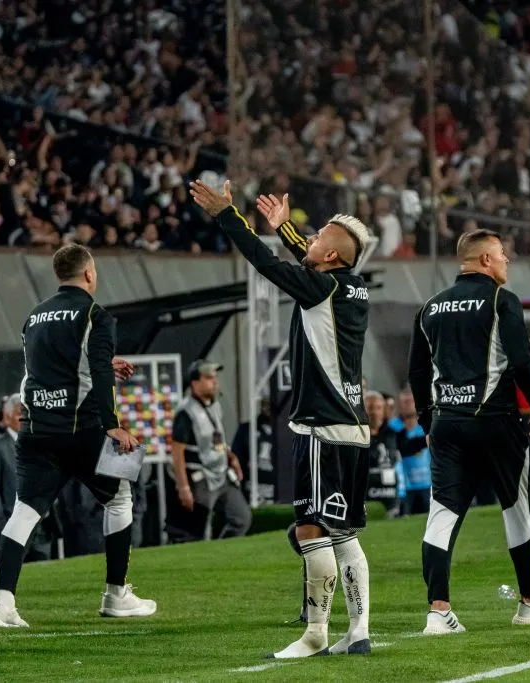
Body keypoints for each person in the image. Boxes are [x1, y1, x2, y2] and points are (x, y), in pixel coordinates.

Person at [191, 182, 372, 658]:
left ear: (331, 255)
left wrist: (228, 215)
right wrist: (285, 229)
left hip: (320, 425)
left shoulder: (319, 287)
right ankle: (359, 631)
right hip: (353, 427)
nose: (306, 242)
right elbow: (309, 260)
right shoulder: (351, 286)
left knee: (311, 527)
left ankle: (314, 633)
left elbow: (269, 265)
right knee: (343, 531)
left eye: (316, 238)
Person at [407, 228, 530, 635]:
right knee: (517, 510)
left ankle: (438, 611)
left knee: (441, 514)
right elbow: (521, 361)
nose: (506, 261)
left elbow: (416, 373)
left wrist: (428, 423)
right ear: (484, 260)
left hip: (446, 423)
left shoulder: (429, 307)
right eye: (501, 254)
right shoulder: (502, 301)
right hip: (496, 421)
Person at [0, 244, 155, 629]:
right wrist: (112, 423)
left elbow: (52, 365)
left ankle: (3, 602)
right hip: (82, 429)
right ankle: (116, 594)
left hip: (35, 430)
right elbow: (95, 367)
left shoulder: (35, 316)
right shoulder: (96, 314)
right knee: (121, 496)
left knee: (24, 511)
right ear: (89, 274)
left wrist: (103, 363)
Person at [169, 360, 251, 542]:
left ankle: (224, 555)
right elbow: (177, 452)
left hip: (221, 473)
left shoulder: (215, 405)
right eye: (208, 378)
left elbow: (218, 439)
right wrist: (183, 487)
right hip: (200, 476)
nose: (215, 382)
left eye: (215, 377)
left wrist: (231, 457)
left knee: (241, 518)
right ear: (194, 382)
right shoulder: (186, 411)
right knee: (200, 530)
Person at [0, 395, 52, 561]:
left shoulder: (41, 444)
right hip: (12, 529)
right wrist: (3, 527)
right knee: (11, 581)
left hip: (42, 530)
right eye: (21, 413)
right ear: (7, 417)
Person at [388, 389, 431, 515]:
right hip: (404, 487)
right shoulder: (392, 427)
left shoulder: (426, 426)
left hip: (427, 484)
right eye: (404, 402)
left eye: (410, 401)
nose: (407, 405)